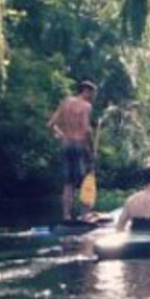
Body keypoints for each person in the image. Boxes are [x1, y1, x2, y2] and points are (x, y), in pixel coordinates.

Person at [48, 80, 97, 220]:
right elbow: (87, 129)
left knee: (68, 182)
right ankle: (84, 214)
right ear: (86, 91)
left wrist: (60, 135)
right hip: (79, 144)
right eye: (93, 93)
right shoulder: (86, 106)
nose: (93, 97)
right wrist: (92, 148)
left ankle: (66, 216)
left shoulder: (66, 102)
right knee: (85, 180)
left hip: (66, 144)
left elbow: (51, 124)